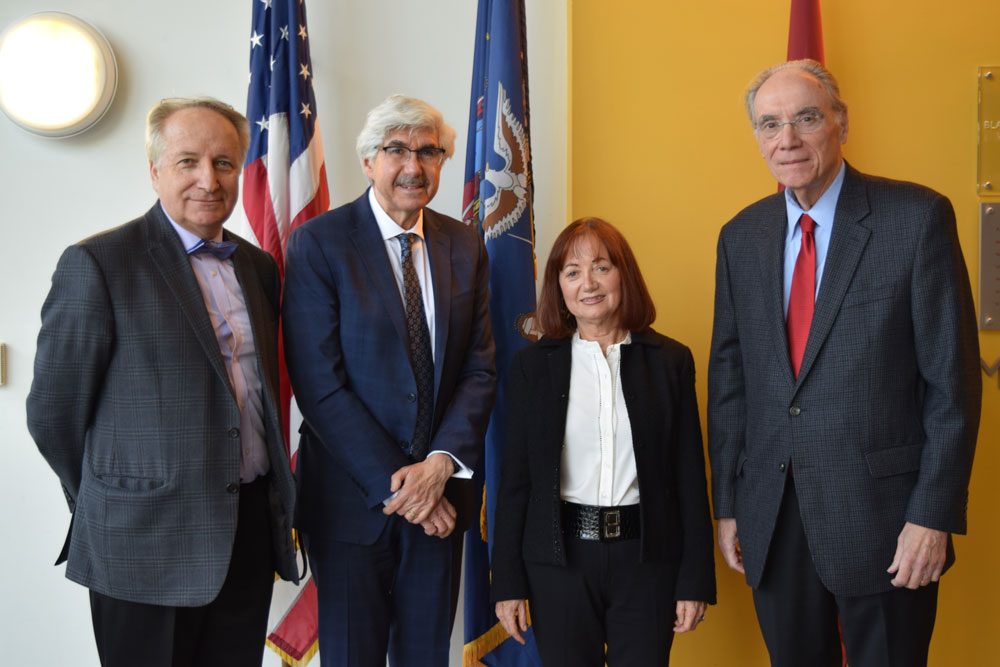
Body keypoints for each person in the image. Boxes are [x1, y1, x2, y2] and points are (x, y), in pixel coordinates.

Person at [708, 59, 982, 667]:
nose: (789, 140)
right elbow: (730, 382)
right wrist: (728, 504)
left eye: (807, 118)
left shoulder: (915, 219)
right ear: (757, 138)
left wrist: (933, 516)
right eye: (770, 124)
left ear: (841, 122)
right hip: (772, 521)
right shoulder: (741, 237)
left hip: (888, 523)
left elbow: (952, 384)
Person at [25, 97, 299, 667]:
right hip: (142, 541)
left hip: (243, 531)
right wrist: (112, 497)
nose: (208, 178)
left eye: (224, 163)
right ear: (154, 170)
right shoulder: (98, 263)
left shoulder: (258, 267)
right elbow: (54, 414)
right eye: (188, 161)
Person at [281, 94, 496, 667]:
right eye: (396, 149)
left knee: (426, 657)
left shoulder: (464, 244)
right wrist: (407, 490)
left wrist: (439, 466)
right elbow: (319, 386)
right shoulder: (319, 243)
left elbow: (479, 367)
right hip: (352, 506)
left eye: (429, 151)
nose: (414, 166)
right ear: (368, 160)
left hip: (442, 497)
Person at [491, 217, 716, 667]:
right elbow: (515, 483)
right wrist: (508, 584)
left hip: (647, 561)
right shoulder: (532, 368)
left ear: (623, 276)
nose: (588, 283)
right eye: (572, 272)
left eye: (602, 267)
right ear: (559, 287)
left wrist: (695, 580)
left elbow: (689, 478)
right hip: (559, 563)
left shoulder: (670, 362)